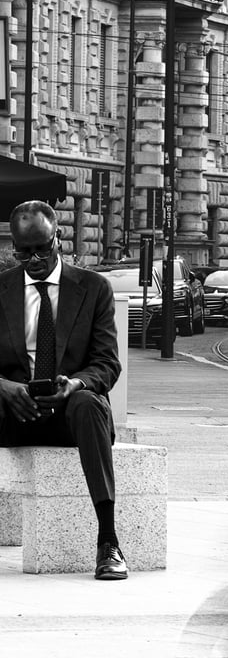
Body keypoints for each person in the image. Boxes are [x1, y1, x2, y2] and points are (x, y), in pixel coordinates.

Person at [0, 200, 128, 580]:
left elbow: (107, 363)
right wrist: (4, 387)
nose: (34, 259)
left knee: (89, 403)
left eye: (42, 248)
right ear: (13, 247)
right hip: (14, 413)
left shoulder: (93, 288)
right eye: (23, 252)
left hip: (71, 414)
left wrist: (75, 384)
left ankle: (108, 542)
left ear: (59, 238)